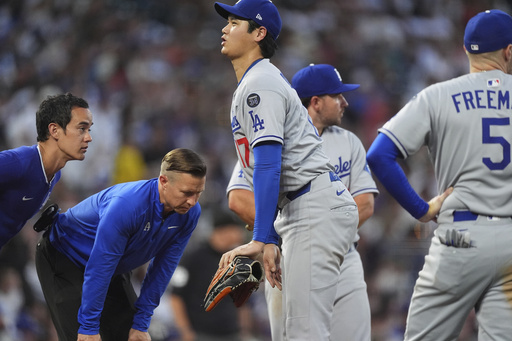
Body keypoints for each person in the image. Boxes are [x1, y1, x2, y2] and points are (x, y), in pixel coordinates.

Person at [214, 0, 359, 339]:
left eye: (235, 22)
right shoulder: (256, 81)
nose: (225, 28)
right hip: (303, 206)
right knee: (293, 331)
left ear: (259, 33)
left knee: (304, 332)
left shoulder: (260, 83)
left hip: (312, 204)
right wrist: (271, 235)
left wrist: (262, 236)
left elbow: (268, 161)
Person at [366, 9, 512, 340]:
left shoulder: (438, 95)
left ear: (466, 50)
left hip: (461, 237)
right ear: (509, 51)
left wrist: (421, 209)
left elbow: (379, 155)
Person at [227, 64, 379, 340]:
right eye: (337, 96)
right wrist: (279, 236)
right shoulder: (273, 136)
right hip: (290, 254)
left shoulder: (350, 142)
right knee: (296, 334)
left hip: (343, 254)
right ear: (316, 102)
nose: (345, 101)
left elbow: (366, 204)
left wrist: (323, 231)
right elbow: (238, 197)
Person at [35, 148, 207, 341]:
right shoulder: (127, 206)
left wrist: (141, 324)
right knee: (84, 337)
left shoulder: (190, 213)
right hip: (65, 256)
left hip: (112, 264)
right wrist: (89, 328)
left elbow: (163, 268)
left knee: (132, 336)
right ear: (163, 181)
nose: (192, 201)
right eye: (187, 192)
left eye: (198, 193)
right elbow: (100, 267)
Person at [0, 92, 93, 250]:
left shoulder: (55, 175)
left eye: (89, 130)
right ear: (54, 130)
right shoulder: (19, 163)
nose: (88, 138)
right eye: (81, 129)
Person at [170, 210, 250, 341]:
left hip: (232, 333)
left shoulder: (237, 261)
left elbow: (242, 299)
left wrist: (244, 329)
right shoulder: (192, 258)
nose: (240, 235)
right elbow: (176, 296)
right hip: (201, 334)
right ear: (223, 232)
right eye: (236, 230)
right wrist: (185, 331)